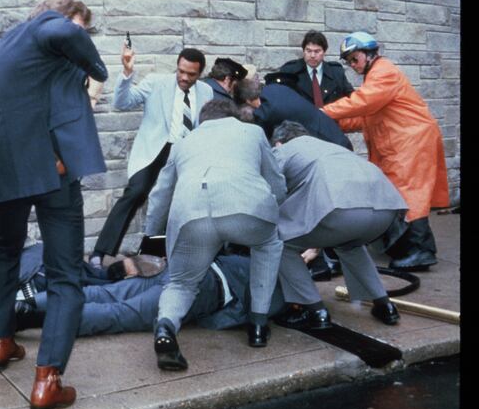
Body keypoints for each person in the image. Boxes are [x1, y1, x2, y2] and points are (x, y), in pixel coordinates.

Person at [0, 0, 108, 409]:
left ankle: (0, 342)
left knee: (3, 251)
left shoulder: (8, 46)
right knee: (66, 274)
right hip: (50, 171)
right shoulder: (50, 29)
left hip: (5, 165)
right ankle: (47, 381)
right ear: (63, 18)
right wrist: (97, 68)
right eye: (81, 28)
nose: (80, 37)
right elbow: (60, 30)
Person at [0, 246, 285, 361]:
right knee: (116, 313)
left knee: (103, 295)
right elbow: (246, 314)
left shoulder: (264, 259)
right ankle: (31, 314)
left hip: (186, 272)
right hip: (197, 289)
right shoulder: (278, 286)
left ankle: (32, 305)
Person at [145, 99, 287, 370]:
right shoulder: (254, 132)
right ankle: (257, 324)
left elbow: (160, 195)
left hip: (191, 212)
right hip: (247, 208)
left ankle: (165, 328)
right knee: (267, 245)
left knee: (181, 283)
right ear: (233, 116)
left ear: (202, 120)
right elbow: (275, 179)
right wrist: (276, 205)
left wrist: (150, 239)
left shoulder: (183, 143)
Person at [322, 32, 450, 271]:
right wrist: (334, 123)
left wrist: (322, 113)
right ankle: (405, 248)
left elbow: (362, 102)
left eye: (354, 58)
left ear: (369, 53)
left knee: (409, 195)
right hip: (401, 144)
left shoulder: (383, 71)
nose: (352, 65)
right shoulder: (375, 77)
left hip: (411, 142)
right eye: (348, 61)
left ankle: (421, 252)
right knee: (396, 194)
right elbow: (366, 117)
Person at [270, 121, 407, 328]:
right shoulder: (330, 147)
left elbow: (270, 191)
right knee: (349, 245)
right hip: (385, 209)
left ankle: (314, 311)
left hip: (341, 212)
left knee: (279, 243)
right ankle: (385, 306)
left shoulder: (283, 151)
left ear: (279, 142)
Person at [87, 47, 214, 270]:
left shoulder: (206, 92)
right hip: (157, 149)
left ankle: (161, 255)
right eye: (181, 71)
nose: (184, 77)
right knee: (135, 193)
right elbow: (122, 102)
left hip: (187, 152)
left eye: (191, 74)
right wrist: (127, 72)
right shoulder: (156, 82)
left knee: (185, 202)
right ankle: (101, 252)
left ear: (200, 73)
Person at [234, 71, 353, 150]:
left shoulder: (267, 112)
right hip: (335, 134)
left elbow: (259, 138)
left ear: (247, 101)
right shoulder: (276, 88)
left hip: (331, 144)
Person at [279, 30, 354, 106]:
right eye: (308, 51)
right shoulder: (289, 71)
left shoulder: (336, 73)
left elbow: (352, 99)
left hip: (329, 116)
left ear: (324, 52)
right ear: (303, 51)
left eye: (317, 51)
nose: (312, 55)